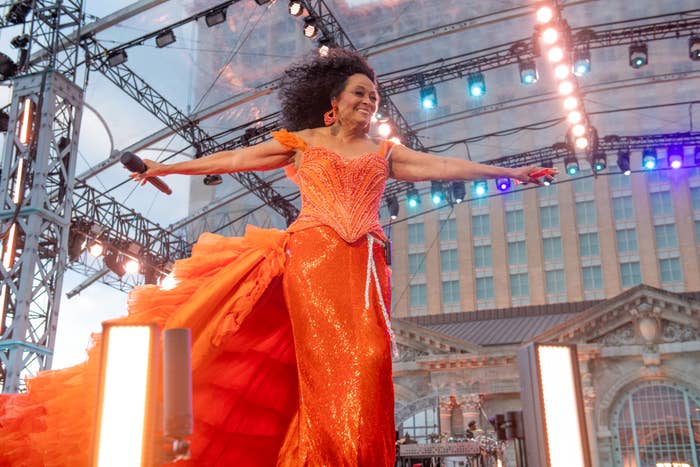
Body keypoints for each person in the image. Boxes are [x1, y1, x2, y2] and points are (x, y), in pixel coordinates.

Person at [0, 49, 554, 466]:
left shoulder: (385, 153)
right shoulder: (303, 141)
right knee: (323, 369)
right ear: (333, 102)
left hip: (364, 268)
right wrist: (164, 168)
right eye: (360, 94)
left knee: (369, 359)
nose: (368, 102)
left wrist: (510, 172)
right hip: (311, 262)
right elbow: (236, 156)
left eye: (375, 98)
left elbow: (441, 166)